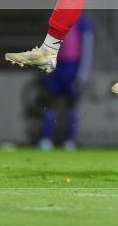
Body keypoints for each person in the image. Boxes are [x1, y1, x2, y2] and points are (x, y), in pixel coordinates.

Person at [38, 14, 93, 151]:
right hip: (56, 66)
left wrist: (83, 73)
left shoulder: (83, 22)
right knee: (51, 102)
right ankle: (46, 139)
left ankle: (70, 141)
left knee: (72, 104)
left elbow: (88, 47)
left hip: (73, 67)